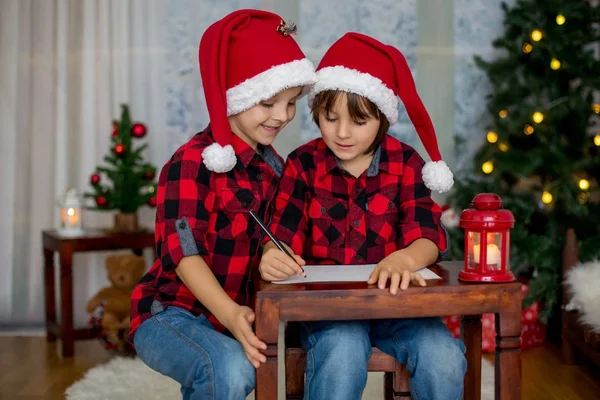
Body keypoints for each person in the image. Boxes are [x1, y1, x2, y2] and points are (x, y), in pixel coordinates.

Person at [259, 32, 465, 400]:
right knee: (341, 353)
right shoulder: (302, 165)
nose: (341, 133)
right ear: (316, 112)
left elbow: (429, 236)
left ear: (383, 119)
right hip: (328, 310)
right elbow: (283, 232)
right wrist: (275, 256)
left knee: (443, 357)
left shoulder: (405, 163)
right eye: (329, 117)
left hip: (399, 306)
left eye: (358, 121)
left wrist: (405, 258)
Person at [129, 9, 315, 400]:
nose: (282, 116)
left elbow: (280, 231)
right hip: (170, 313)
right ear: (235, 94)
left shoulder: (276, 168)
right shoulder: (190, 163)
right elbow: (184, 255)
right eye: (268, 103)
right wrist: (231, 314)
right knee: (228, 368)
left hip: (238, 315)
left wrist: (273, 249)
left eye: (291, 103)